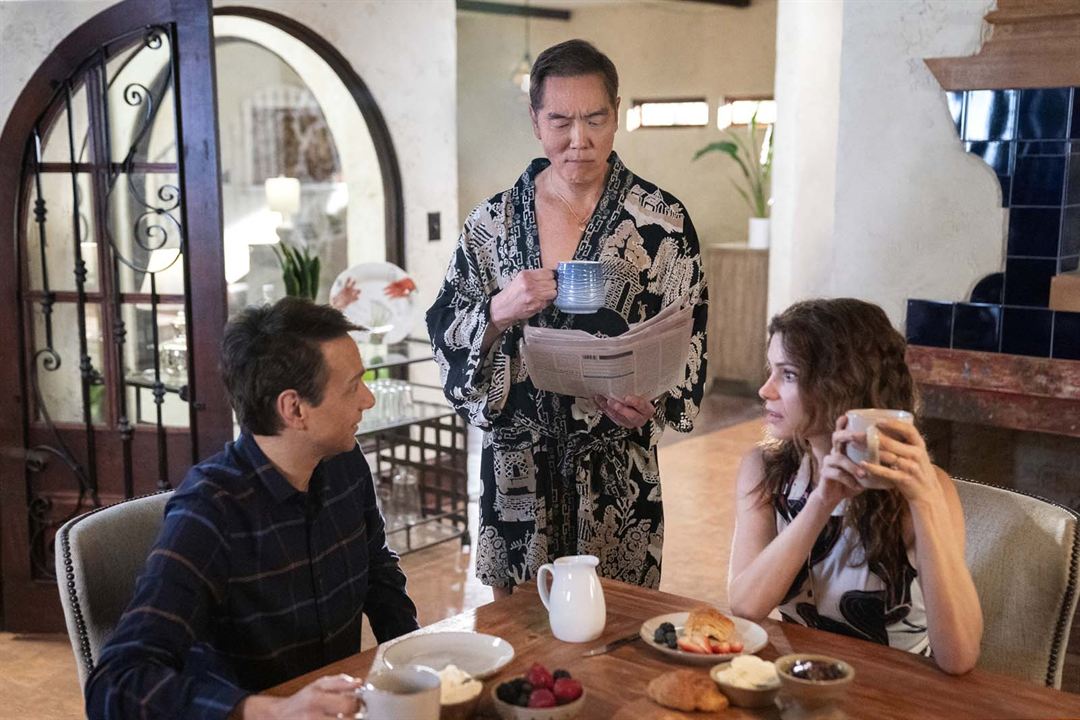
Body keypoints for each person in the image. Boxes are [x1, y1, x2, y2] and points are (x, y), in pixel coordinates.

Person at [427, 39, 707, 597]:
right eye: (559, 121)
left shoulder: (663, 224)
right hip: (517, 477)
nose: (579, 141)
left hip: (616, 480)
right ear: (535, 121)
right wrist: (499, 309)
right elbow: (445, 330)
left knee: (615, 646)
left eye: (594, 120)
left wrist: (650, 405)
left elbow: (689, 346)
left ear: (617, 114)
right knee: (519, 651)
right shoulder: (493, 222)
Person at [85, 297, 420, 719]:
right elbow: (115, 685)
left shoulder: (345, 465)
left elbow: (377, 572)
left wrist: (416, 665)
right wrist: (266, 711)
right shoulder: (210, 511)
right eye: (353, 386)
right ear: (294, 408)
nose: (367, 400)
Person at [727, 298, 982, 674]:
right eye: (771, 371)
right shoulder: (766, 470)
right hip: (802, 681)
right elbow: (746, 606)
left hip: (899, 692)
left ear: (841, 384)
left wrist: (925, 501)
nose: (766, 390)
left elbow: (958, 658)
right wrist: (820, 503)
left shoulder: (928, 490)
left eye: (789, 375)